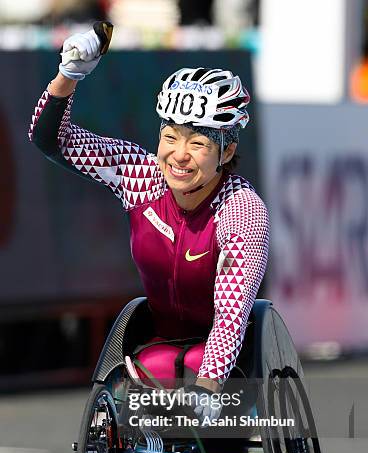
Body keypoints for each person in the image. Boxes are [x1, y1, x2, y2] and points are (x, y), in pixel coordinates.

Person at [29, 27, 269, 422]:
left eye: (198, 143)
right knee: (142, 375)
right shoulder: (141, 177)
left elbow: (231, 313)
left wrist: (208, 388)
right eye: (170, 136)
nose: (179, 155)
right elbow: (51, 141)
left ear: (227, 151)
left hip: (225, 364)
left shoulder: (242, 211)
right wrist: (68, 75)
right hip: (156, 349)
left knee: (185, 365)